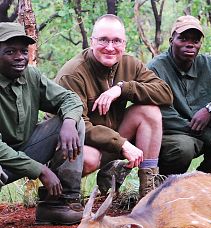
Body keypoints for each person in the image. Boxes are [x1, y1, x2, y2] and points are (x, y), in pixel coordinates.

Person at [55, 14, 173, 198]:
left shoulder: (129, 64)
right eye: (103, 40)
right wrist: (122, 144)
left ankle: (148, 193)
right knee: (89, 159)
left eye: (117, 41)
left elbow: (165, 93)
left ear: (124, 44)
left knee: (150, 112)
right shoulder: (73, 74)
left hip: (111, 140)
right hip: (76, 145)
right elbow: (79, 126)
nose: (110, 47)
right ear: (92, 41)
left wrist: (122, 89)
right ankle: (60, 196)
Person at [0, 22, 85, 225]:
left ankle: (58, 203)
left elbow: (70, 99)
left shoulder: (31, 75)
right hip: (3, 161)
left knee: (74, 123)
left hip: (25, 148)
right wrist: (41, 170)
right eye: (10, 51)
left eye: (23, 50)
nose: (20, 57)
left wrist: (69, 124)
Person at [147, 15, 211, 176]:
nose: (190, 45)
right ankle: (165, 187)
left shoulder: (210, 64)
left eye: (195, 41)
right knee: (182, 148)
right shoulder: (156, 68)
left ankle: (203, 182)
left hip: (208, 127)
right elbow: (164, 116)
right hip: (175, 133)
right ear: (171, 40)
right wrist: (210, 135)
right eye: (183, 38)